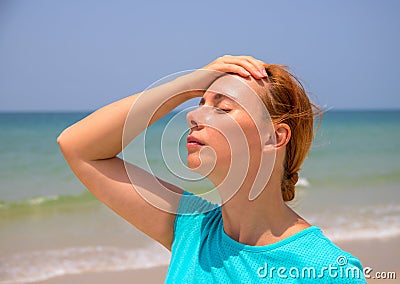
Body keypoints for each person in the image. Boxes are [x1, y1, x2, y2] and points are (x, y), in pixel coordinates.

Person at [57, 55, 366, 283]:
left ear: (274, 136)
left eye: (222, 107)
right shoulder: (193, 231)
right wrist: (186, 85)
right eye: (200, 103)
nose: (194, 116)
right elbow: (77, 147)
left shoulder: (328, 270)